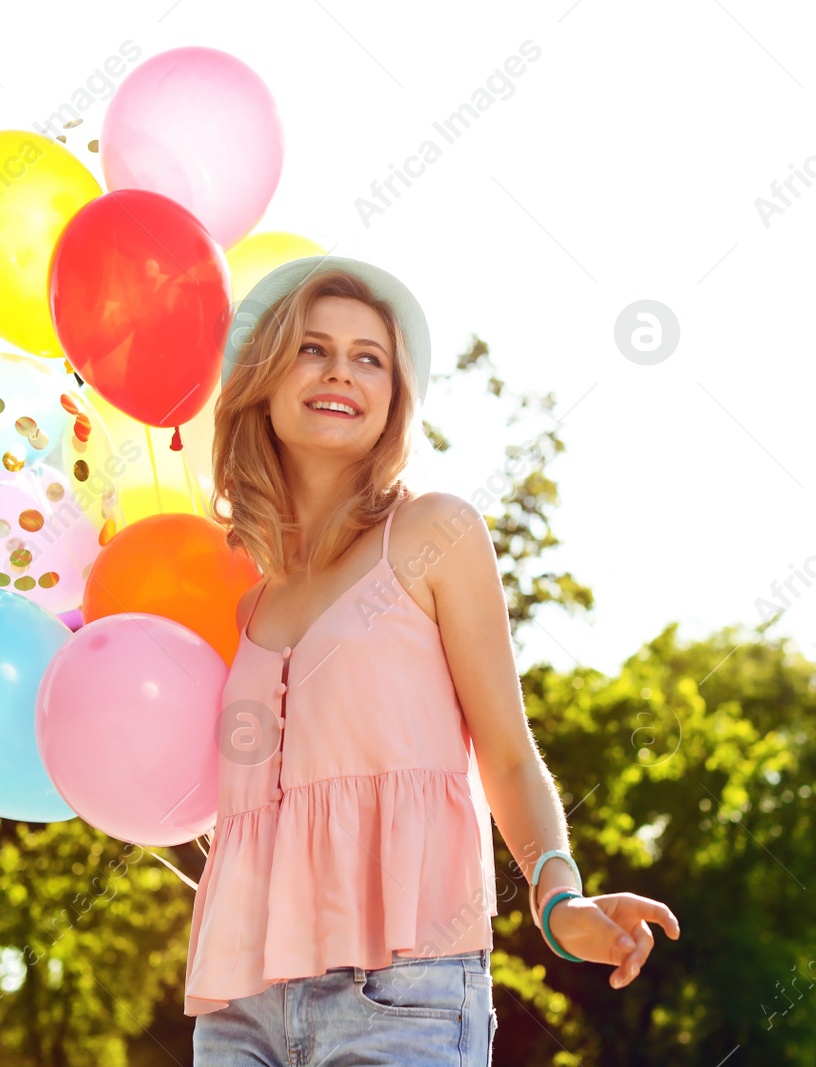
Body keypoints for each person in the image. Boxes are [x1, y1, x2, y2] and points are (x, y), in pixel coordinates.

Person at [186, 256, 679, 1065]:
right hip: (240, 1006)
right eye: (312, 348)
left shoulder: (433, 535)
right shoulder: (241, 604)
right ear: (264, 380)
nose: (341, 369)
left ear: (393, 398)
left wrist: (560, 895)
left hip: (402, 992)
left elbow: (510, 754)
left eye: (369, 356)